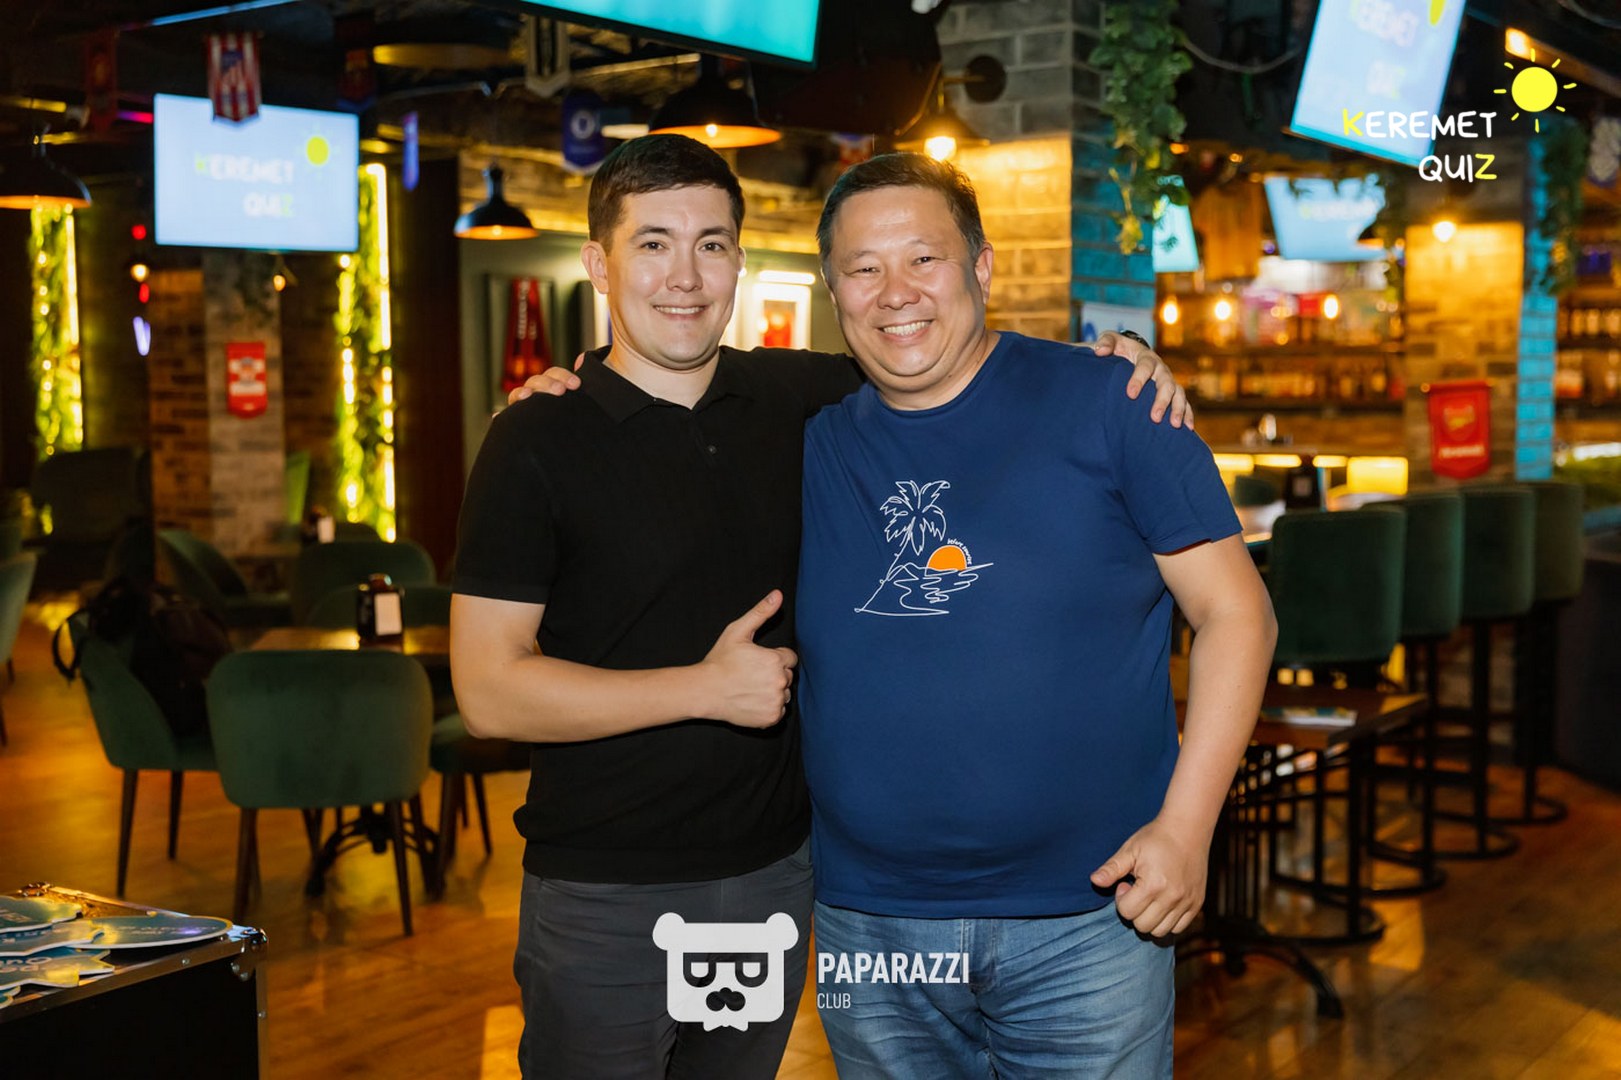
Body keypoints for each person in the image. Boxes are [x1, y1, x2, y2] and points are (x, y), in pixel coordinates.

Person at [453, 134, 1186, 1079]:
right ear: (600, 264)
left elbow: (951, 352)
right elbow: (488, 693)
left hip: (773, 880)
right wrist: (703, 689)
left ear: (739, 262)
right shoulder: (533, 439)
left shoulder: (800, 397)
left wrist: (1124, 361)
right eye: (653, 244)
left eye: (711, 244)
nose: (685, 276)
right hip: (606, 887)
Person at [794, 152, 1277, 1079]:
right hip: (868, 919)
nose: (895, 292)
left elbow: (1236, 615)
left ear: (980, 267)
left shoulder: (1112, 400)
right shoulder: (808, 435)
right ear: (833, 291)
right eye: (863, 268)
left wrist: (1186, 829)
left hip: (1089, 916)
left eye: (923, 258)